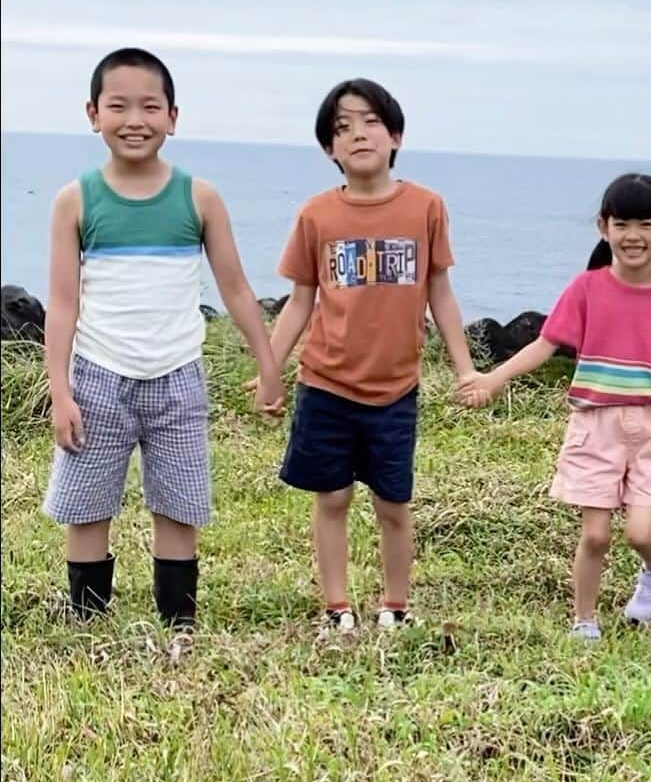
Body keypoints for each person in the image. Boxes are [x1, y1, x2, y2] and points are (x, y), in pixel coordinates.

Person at [44, 47, 284, 628]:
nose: (135, 120)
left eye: (150, 106)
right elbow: (63, 303)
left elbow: (235, 290)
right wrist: (60, 390)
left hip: (178, 378)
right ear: (92, 113)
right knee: (87, 504)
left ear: (173, 116)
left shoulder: (198, 197)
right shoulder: (75, 199)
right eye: (119, 105)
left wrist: (270, 366)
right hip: (96, 376)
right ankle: (88, 624)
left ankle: (179, 627)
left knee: (179, 505)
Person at [458, 173, 651, 638]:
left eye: (647, 224)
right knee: (596, 536)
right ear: (604, 227)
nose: (634, 236)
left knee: (640, 533)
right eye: (622, 224)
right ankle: (584, 622)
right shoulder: (586, 288)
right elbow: (545, 345)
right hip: (594, 425)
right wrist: (493, 379)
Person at [257, 78, 475, 632]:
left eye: (370, 121)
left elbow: (440, 292)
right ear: (329, 150)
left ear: (396, 136)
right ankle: (336, 607)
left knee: (393, 504)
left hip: (396, 387)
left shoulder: (426, 207)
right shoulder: (317, 216)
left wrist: (466, 367)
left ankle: (395, 606)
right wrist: (269, 372)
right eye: (342, 128)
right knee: (331, 497)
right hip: (325, 382)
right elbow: (300, 300)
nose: (357, 134)